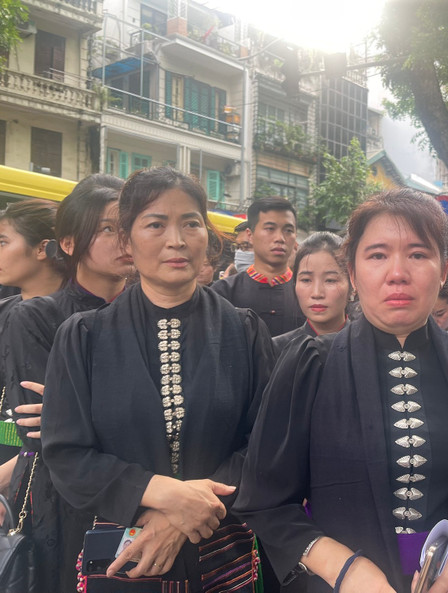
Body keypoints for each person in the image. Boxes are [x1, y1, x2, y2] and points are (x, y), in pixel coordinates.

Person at [234, 188, 448, 593]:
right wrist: (347, 570)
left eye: (418, 254)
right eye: (377, 255)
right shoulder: (310, 366)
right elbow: (264, 501)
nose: (398, 272)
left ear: (443, 271)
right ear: (353, 273)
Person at [40, 167, 275, 590]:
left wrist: (182, 520)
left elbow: (268, 443)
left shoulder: (245, 330)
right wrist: (161, 496)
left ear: (208, 236)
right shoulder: (84, 337)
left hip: (224, 550)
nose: (177, 240)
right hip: (124, 554)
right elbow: (66, 454)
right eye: (156, 224)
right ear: (127, 241)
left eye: (190, 223)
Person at [4, 175, 132, 593]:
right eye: (109, 229)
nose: (124, 240)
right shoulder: (38, 317)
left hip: (143, 507)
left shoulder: (152, 315)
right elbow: (43, 436)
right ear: (70, 243)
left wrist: (78, 410)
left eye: (130, 226)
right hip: (62, 507)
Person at [0, 201, 63, 478]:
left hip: (43, 479)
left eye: (2, 242)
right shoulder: (5, 310)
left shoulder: (80, 322)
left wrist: (6, 479)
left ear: (42, 249)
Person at [212, 197, 305, 336]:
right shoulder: (223, 292)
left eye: (288, 230)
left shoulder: (307, 292)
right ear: (250, 235)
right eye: (270, 229)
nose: (280, 238)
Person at [273, 232, 350, 356]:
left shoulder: (371, 349)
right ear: (294, 283)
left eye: (330, 280)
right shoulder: (276, 350)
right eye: (306, 280)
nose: (317, 293)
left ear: (353, 284)